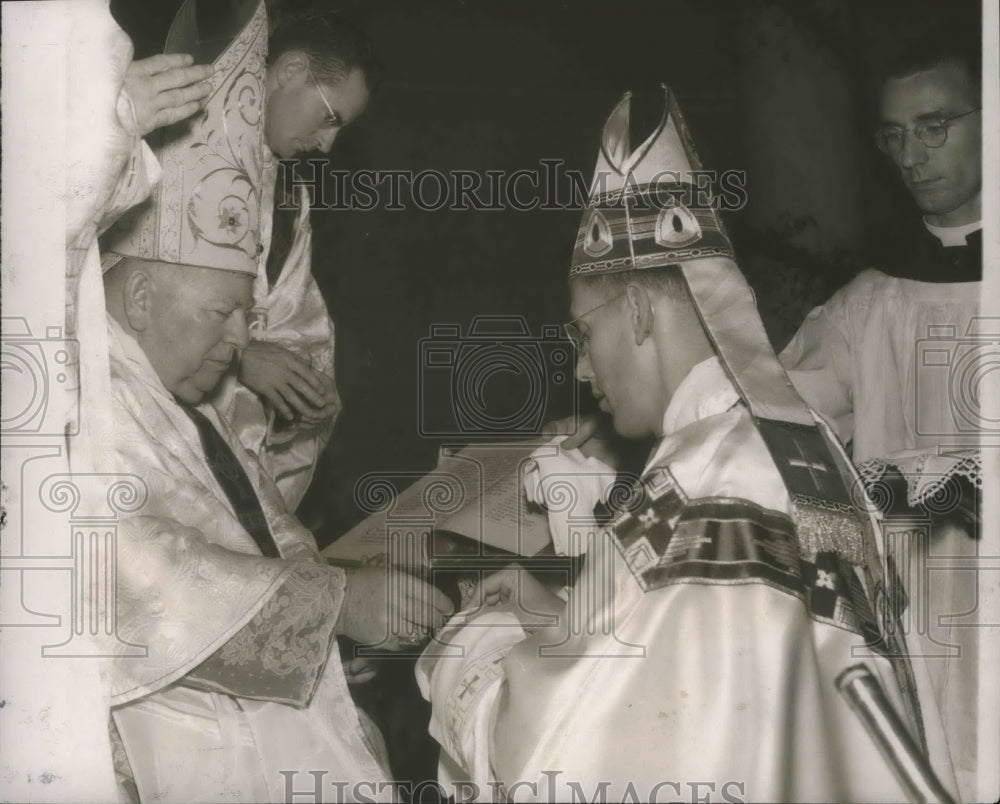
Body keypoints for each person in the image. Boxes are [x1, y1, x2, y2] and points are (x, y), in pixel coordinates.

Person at [416, 87, 957, 802]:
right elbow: (695, 670)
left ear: (637, 311)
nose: (582, 368)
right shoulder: (789, 445)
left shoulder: (708, 477)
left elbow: (566, 755)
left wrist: (472, 644)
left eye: (585, 333)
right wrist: (554, 612)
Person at [101, 3, 452, 801]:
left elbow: (255, 518)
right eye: (222, 313)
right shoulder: (78, 397)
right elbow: (131, 566)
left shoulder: (194, 411)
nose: (237, 338)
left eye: (245, 312)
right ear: (141, 294)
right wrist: (331, 610)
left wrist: (333, 615)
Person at [778, 28, 983, 800]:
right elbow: (778, 420)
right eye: (894, 135)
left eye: (935, 127)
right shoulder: (870, 304)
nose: (912, 156)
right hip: (916, 613)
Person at [207, 6, 378, 512]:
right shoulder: (175, 145)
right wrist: (238, 358)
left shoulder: (288, 196)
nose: (327, 144)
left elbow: (292, 323)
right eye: (330, 118)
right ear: (290, 72)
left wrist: (304, 393)